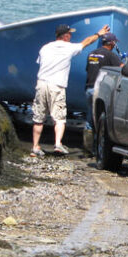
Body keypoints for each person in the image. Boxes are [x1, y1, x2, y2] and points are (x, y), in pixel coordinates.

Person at [30, 23, 110, 157]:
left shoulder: (45, 48)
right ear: (66, 36)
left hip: (41, 84)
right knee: (59, 118)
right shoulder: (68, 47)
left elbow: (40, 62)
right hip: (57, 86)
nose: (71, 36)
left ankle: (35, 147)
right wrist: (98, 34)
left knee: (38, 118)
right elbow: (86, 42)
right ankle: (57, 144)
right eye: (70, 34)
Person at [84, 32, 123, 131]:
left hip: (89, 88)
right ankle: (98, 142)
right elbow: (122, 69)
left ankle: (88, 141)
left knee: (90, 116)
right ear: (112, 43)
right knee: (102, 117)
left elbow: (88, 69)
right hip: (100, 90)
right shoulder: (110, 55)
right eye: (114, 43)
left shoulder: (91, 53)